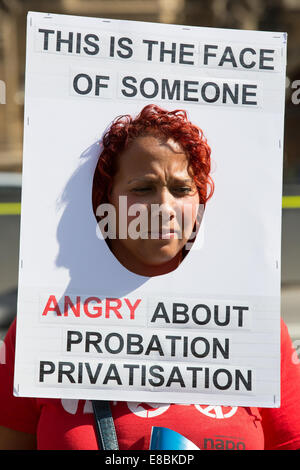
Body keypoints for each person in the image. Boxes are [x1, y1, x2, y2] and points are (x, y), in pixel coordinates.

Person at [0, 105, 300, 450]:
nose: (164, 206)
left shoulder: (257, 330)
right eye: (142, 189)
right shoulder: (40, 329)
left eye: (182, 189)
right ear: (104, 201)